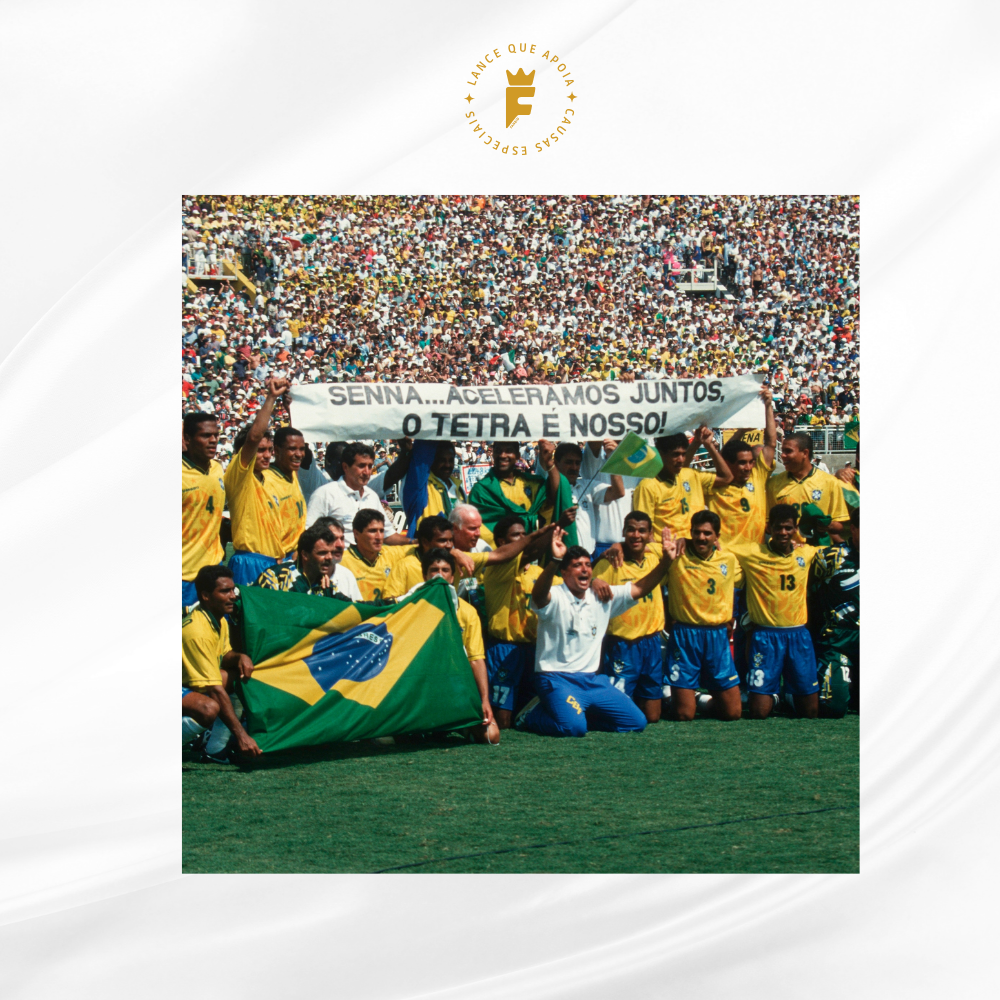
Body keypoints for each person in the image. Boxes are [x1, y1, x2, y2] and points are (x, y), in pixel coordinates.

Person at [516, 525, 671, 738]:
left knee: (636, 722)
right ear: (564, 572)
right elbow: (539, 596)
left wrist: (666, 562)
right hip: (556, 678)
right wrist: (555, 560)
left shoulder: (601, 596)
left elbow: (640, 588)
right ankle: (532, 714)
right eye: (577, 565)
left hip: (592, 681)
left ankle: (575, 712)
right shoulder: (555, 595)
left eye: (588, 565)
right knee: (574, 728)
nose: (585, 570)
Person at [732, 505, 821, 720]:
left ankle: (787, 695)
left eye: (788, 528)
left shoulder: (806, 553)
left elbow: (834, 550)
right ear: (769, 528)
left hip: (798, 635)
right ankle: (776, 697)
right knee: (758, 712)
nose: (783, 532)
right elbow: (719, 547)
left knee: (810, 712)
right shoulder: (751, 552)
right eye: (778, 527)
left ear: (795, 529)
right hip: (765, 636)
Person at [661, 511, 743, 722]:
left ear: (717, 536)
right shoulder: (677, 555)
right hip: (685, 635)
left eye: (707, 533)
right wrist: (617, 547)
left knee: (733, 713)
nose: (701, 537)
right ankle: (676, 699)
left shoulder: (729, 560)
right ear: (690, 533)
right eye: (696, 532)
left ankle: (699, 699)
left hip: (717, 636)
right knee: (684, 714)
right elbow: (643, 548)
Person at [481, 515, 560, 728]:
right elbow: (531, 552)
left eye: (525, 534)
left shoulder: (538, 572)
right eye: (516, 535)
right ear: (501, 542)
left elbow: (568, 585)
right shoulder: (496, 567)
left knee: (528, 706)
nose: (523, 539)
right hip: (504, 648)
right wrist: (557, 525)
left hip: (533, 649)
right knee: (503, 718)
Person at [418, 548, 500, 745]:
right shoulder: (412, 607)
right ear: (425, 576)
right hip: (422, 687)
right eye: (434, 570)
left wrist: (484, 700)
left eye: (445, 570)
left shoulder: (468, 612)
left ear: (452, 577)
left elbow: (476, 659)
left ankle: (459, 726)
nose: (439, 575)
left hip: (456, 687)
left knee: (491, 735)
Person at [591, 511, 666, 722]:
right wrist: (592, 581)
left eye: (642, 531)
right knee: (616, 715)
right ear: (623, 532)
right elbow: (583, 583)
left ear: (650, 534)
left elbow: (678, 547)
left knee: (653, 716)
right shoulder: (611, 562)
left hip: (651, 643)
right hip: (622, 645)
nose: (636, 535)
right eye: (631, 530)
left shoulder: (656, 559)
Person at [182, 565, 261, 759]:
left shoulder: (218, 618)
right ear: (206, 596)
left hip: (184, 681)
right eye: (225, 591)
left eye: (233, 590)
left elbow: (223, 655)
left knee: (238, 677)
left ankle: (215, 749)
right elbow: (215, 690)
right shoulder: (197, 632)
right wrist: (242, 736)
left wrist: (239, 657)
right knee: (208, 708)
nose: (233, 596)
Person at [223, 376, 289, 586]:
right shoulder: (239, 475)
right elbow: (253, 438)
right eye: (261, 450)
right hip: (248, 561)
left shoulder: (269, 479)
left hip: (273, 563)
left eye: (269, 450)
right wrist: (271, 398)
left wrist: (290, 410)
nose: (267, 455)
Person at [632, 426, 732, 552]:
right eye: (675, 455)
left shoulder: (690, 475)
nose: (681, 460)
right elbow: (645, 530)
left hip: (698, 551)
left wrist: (708, 445)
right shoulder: (647, 486)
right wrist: (662, 555)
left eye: (684, 454)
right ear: (661, 454)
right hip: (670, 554)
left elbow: (726, 478)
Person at [703, 387, 778, 549]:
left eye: (751, 462)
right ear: (728, 463)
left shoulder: (757, 476)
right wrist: (740, 431)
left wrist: (768, 406)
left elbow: (771, 443)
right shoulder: (714, 485)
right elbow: (724, 455)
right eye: (742, 463)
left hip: (755, 554)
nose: (748, 467)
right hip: (724, 555)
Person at [305, 442, 411, 545]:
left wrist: (414, 542)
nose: (367, 472)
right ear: (345, 467)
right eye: (361, 466)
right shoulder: (324, 494)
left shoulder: (372, 496)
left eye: (370, 466)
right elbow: (308, 537)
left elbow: (388, 536)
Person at [468, 439, 574, 541]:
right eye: (498, 451)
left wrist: (549, 462)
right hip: (503, 550)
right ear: (493, 454)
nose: (503, 455)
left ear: (518, 456)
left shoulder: (531, 482)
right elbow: (477, 527)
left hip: (535, 547)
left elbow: (556, 498)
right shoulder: (481, 490)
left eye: (508, 451)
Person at [810, 505, 859, 717]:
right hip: (839, 641)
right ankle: (793, 696)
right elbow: (809, 593)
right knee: (833, 706)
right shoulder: (831, 557)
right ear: (854, 529)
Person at [767, 431, 850, 543]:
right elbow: (768, 524)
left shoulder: (830, 482)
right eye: (782, 451)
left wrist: (825, 524)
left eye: (788, 451)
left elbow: (839, 525)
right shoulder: (774, 483)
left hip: (818, 550)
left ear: (805, 453)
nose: (782, 455)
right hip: (786, 550)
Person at [182, 411, 225, 610]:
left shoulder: (217, 469)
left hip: (213, 572)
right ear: (187, 439)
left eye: (215, 435)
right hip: (184, 576)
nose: (213, 440)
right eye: (206, 435)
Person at [254, 521, 362, 600]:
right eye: (322, 553)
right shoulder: (276, 577)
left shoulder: (326, 586)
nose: (329, 557)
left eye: (331, 552)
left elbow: (350, 606)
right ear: (305, 555)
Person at [339, 508, 415, 602]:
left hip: (388, 611)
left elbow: (424, 546)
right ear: (356, 534)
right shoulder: (341, 561)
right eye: (373, 531)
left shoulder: (391, 553)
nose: (379, 537)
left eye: (381, 531)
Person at [264, 425, 307, 558]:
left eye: (302, 449)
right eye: (292, 449)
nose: (299, 454)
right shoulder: (265, 480)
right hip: (278, 557)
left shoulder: (292, 474)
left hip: (297, 554)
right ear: (277, 450)